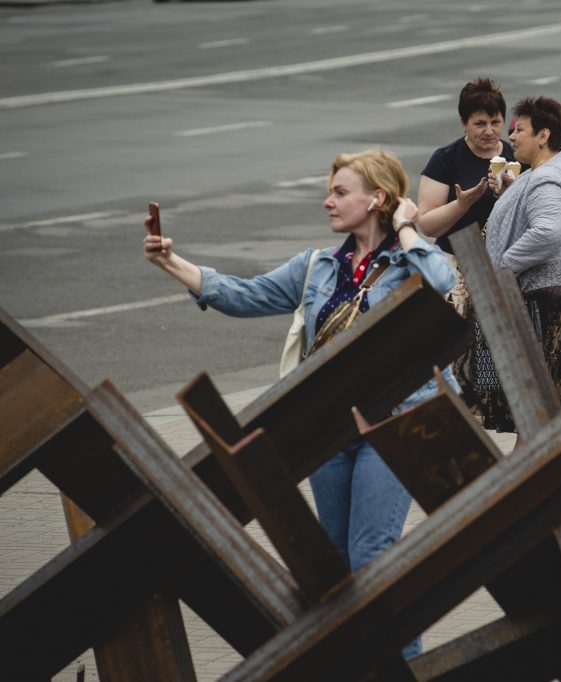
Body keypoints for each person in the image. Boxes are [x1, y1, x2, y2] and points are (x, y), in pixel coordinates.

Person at [143, 148, 456, 659]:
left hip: (392, 426)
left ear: (376, 198)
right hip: (328, 433)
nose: (327, 202)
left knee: (373, 556)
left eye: (339, 192)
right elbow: (244, 295)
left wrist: (407, 228)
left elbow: (445, 287)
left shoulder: (411, 260)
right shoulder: (317, 268)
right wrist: (170, 262)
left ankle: (403, 668)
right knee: (332, 567)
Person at [465, 96, 561, 434]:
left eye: (519, 130)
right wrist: (514, 192)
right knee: (547, 397)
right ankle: (537, 469)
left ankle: (534, 473)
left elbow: (549, 232)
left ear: (543, 136)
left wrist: (504, 266)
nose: (511, 137)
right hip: (560, 296)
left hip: (543, 302)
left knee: (537, 399)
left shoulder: (546, 179)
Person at [418, 77, 515, 314]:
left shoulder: (516, 154)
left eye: (496, 122)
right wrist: (461, 205)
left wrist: (512, 192)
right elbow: (427, 225)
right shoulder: (446, 158)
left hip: (505, 265)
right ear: (464, 123)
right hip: (456, 264)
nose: (489, 131)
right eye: (480, 124)